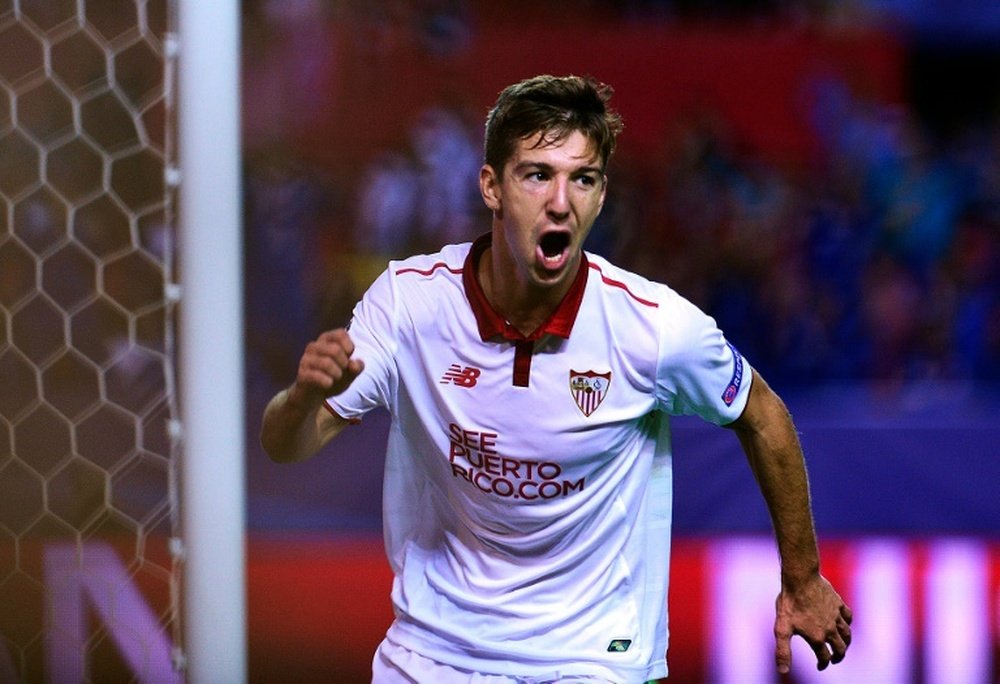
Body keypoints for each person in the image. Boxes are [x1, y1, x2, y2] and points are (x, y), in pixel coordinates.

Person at [260, 74, 852, 682]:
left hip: (593, 661)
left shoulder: (651, 328)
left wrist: (803, 579)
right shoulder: (410, 305)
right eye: (538, 174)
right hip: (436, 656)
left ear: (600, 197)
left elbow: (762, 412)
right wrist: (302, 398)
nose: (561, 201)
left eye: (584, 179)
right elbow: (289, 443)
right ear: (491, 186)